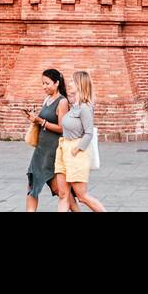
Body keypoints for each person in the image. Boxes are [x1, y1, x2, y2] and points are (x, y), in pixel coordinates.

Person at [56, 69, 105, 212]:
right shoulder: (74, 106)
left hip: (76, 152)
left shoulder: (85, 108)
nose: (69, 84)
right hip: (63, 150)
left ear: (79, 84)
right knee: (63, 194)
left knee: (82, 196)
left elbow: (89, 133)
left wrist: (77, 149)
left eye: (72, 81)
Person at [25, 69, 69, 212]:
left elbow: (62, 128)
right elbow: (42, 121)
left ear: (56, 83)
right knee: (32, 186)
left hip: (52, 150)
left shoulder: (62, 102)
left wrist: (41, 121)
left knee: (59, 190)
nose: (44, 86)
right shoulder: (47, 99)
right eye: (42, 83)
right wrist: (34, 119)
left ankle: (74, 208)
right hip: (40, 149)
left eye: (47, 83)